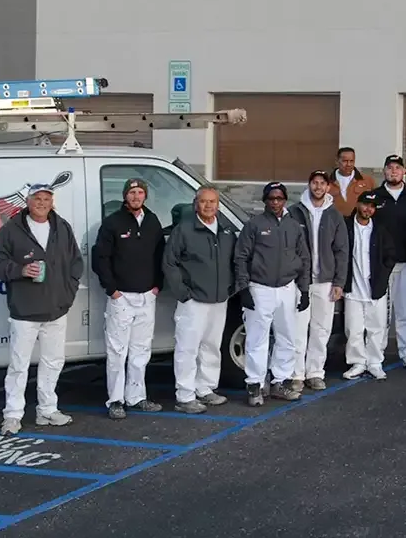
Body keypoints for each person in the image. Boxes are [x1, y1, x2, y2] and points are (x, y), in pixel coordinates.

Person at [0, 184, 83, 435]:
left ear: (52, 202)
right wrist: (19, 270)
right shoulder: (11, 230)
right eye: (37, 198)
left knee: (53, 362)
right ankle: (13, 415)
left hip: (56, 309)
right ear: (27, 202)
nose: (42, 203)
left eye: (46, 198)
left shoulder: (62, 228)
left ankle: (47, 410)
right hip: (24, 310)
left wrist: (67, 294)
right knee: (19, 365)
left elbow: (76, 263)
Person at [92, 178, 166, 420]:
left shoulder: (152, 221)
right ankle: (115, 400)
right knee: (117, 351)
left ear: (145, 196)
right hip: (121, 297)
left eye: (140, 192)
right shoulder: (113, 223)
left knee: (141, 350)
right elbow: (100, 259)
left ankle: (137, 396)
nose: (136, 196)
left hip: (147, 296)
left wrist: (157, 285)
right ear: (125, 196)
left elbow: (159, 255)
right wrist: (112, 290)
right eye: (132, 192)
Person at [235, 182, 311, 406]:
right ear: (265, 201)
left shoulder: (294, 226)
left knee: (287, 337)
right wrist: (243, 288)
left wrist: (304, 289)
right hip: (260, 288)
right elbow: (241, 257)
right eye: (271, 198)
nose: (275, 202)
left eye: (279, 198)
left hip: (287, 288)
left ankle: (280, 381)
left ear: (285, 200)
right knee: (257, 339)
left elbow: (304, 258)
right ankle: (255, 385)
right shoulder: (254, 225)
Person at [163, 186, 236, 413]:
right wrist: (183, 292)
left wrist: (230, 288)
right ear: (196, 203)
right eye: (204, 201)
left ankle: (205, 388)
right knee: (187, 348)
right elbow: (169, 263)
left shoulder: (226, 231)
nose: (208, 206)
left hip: (218, 300)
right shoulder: (184, 230)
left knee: (212, 346)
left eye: (212, 201)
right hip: (193, 301)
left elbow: (234, 262)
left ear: (218, 204)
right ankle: (185, 395)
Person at [288, 170, 349, 392]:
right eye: (314, 182)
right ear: (309, 185)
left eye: (322, 183)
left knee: (321, 329)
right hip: (300, 282)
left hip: (325, 281)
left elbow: (342, 250)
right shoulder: (294, 212)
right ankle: (296, 374)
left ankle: (315, 372)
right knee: (297, 329)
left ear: (328, 187)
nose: (318, 187)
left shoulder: (334, 216)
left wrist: (338, 282)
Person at [369, 155, 406, 369]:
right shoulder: (373, 197)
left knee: (405, 311)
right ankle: (376, 354)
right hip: (382, 265)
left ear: (405, 172)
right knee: (380, 313)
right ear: (384, 171)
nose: (393, 171)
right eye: (390, 168)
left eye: (397, 167)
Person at [342, 192, 398, 381]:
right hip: (353, 288)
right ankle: (358, 362)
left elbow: (391, 254)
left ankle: (374, 362)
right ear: (358, 204)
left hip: (376, 288)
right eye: (366, 205)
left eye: (372, 207)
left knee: (377, 327)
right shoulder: (346, 226)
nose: (368, 209)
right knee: (353, 328)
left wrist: (383, 275)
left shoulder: (380, 229)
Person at [330, 146, 375, 217]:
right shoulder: (326, 182)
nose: (348, 164)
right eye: (345, 161)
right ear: (337, 161)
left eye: (351, 161)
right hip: (335, 224)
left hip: (359, 224)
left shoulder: (367, 181)